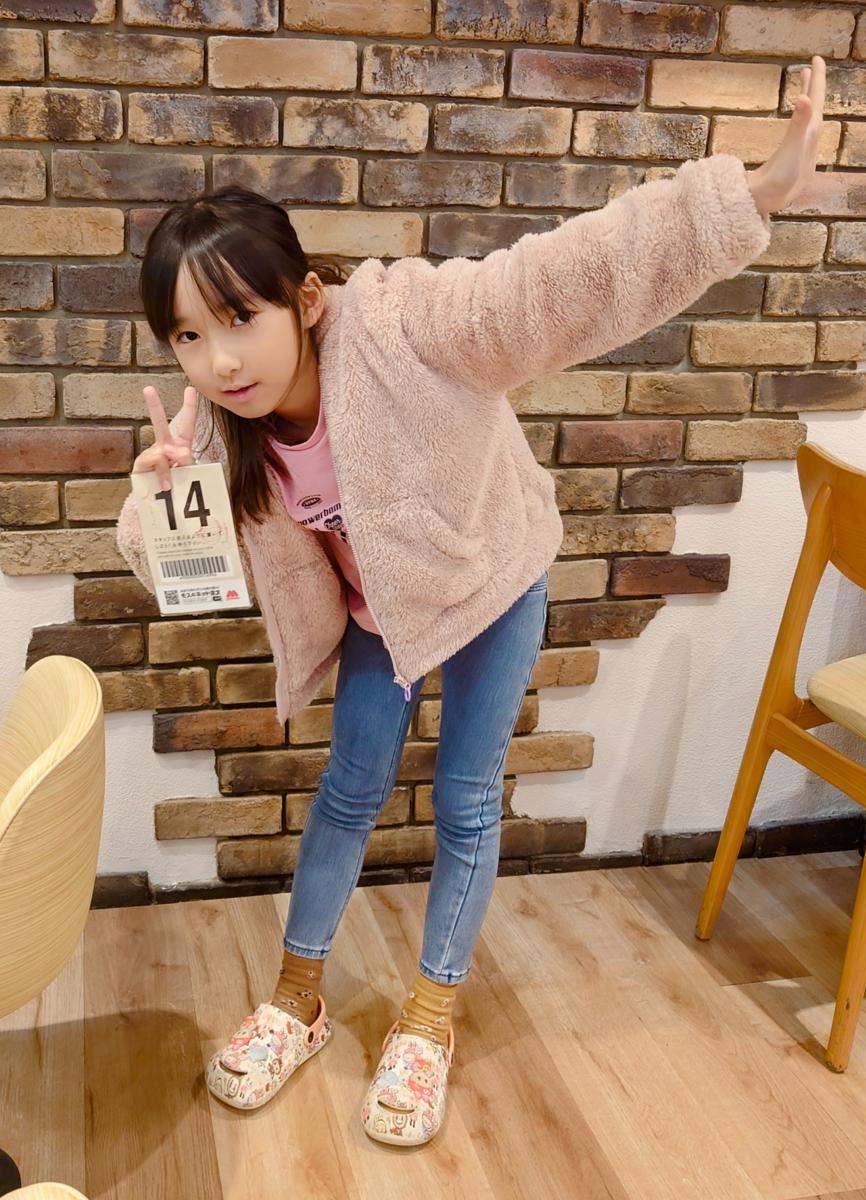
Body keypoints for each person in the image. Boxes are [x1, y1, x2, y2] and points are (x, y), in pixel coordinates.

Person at [115, 58, 826, 1146]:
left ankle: (430, 1015)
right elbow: (176, 571)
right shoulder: (215, 427)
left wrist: (747, 196)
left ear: (305, 300)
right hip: (382, 612)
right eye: (187, 336)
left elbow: (560, 278)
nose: (218, 359)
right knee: (349, 791)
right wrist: (157, 501)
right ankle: (297, 1001)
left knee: (466, 799)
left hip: (489, 579)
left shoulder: (406, 324)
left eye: (239, 318)